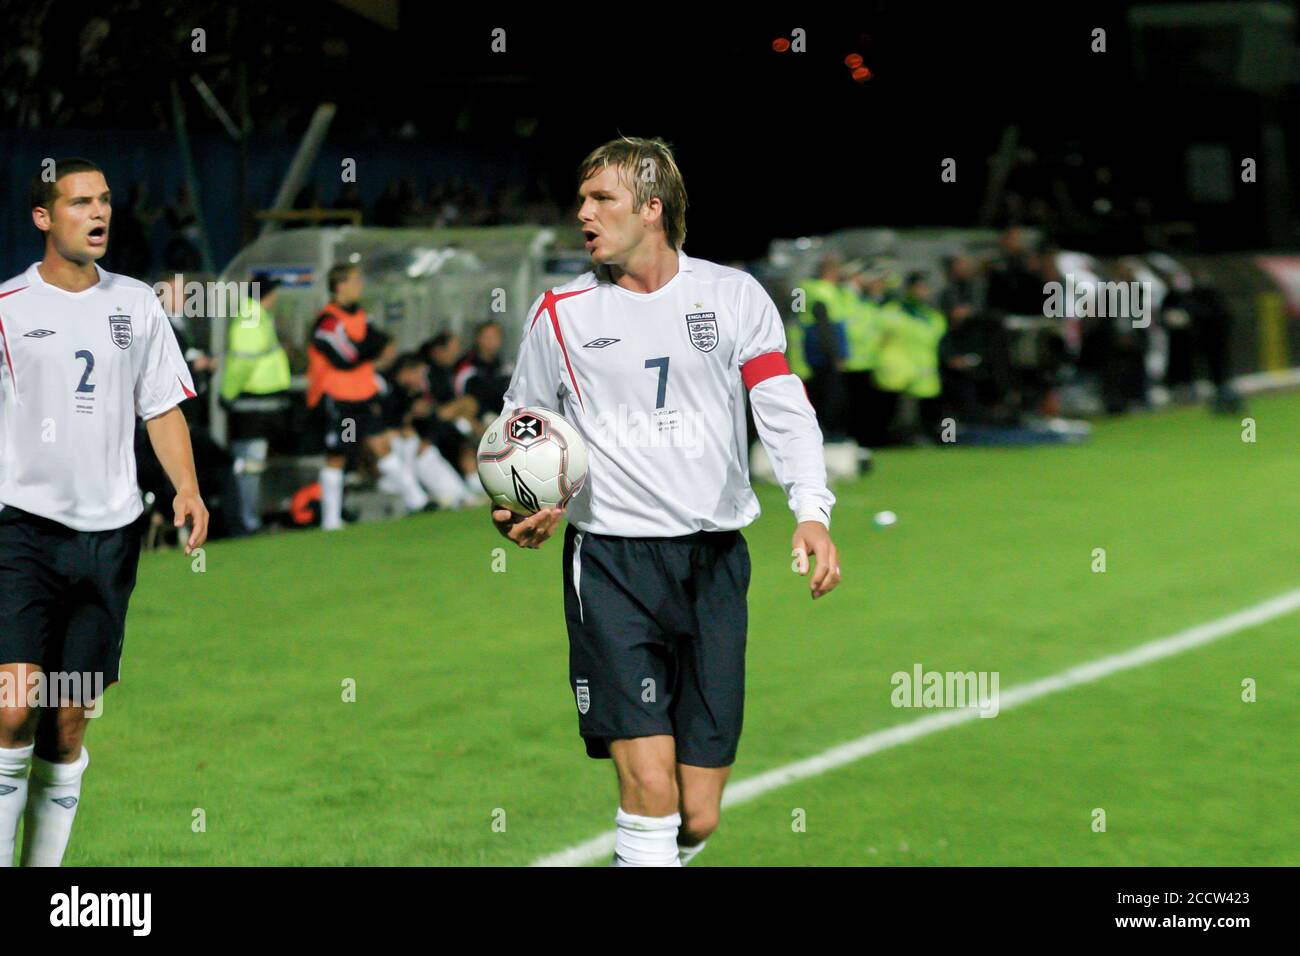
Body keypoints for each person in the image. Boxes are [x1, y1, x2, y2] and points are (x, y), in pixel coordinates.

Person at [491, 136, 841, 867]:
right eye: (582, 198)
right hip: (611, 563)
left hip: (713, 565)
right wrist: (520, 506)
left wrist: (812, 510)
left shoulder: (732, 295)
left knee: (697, 812)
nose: (582, 212)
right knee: (648, 786)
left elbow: (782, 407)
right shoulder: (559, 313)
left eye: (601, 199)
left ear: (652, 209)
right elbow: (520, 430)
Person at [0, 158, 208, 867]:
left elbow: (162, 406)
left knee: (67, 719)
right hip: (20, 531)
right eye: (81, 201)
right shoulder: (7, 307)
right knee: (12, 704)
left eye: (107, 199)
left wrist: (186, 486)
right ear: (43, 217)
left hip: (108, 541)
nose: (100, 212)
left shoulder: (136, 304)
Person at [306, 263, 426, 529]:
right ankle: (331, 520)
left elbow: (378, 342)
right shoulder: (327, 322)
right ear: (340, 286)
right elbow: (345, 358)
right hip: (339, 399)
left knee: (381, 446)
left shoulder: (360, 315)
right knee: (338, 455)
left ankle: (417, 500)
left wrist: (364, 347)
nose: (360, 284)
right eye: (355, 280)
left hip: (363, 395)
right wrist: (366, 348)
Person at [220, 276, 292, 532]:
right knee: (249, 464)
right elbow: (242, 363)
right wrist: (228, 394)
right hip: (251, 405)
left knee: (252, 463)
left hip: (258, 405)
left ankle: (248, 519)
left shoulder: (258, 317)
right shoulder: (252, 319)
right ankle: (245, 522)